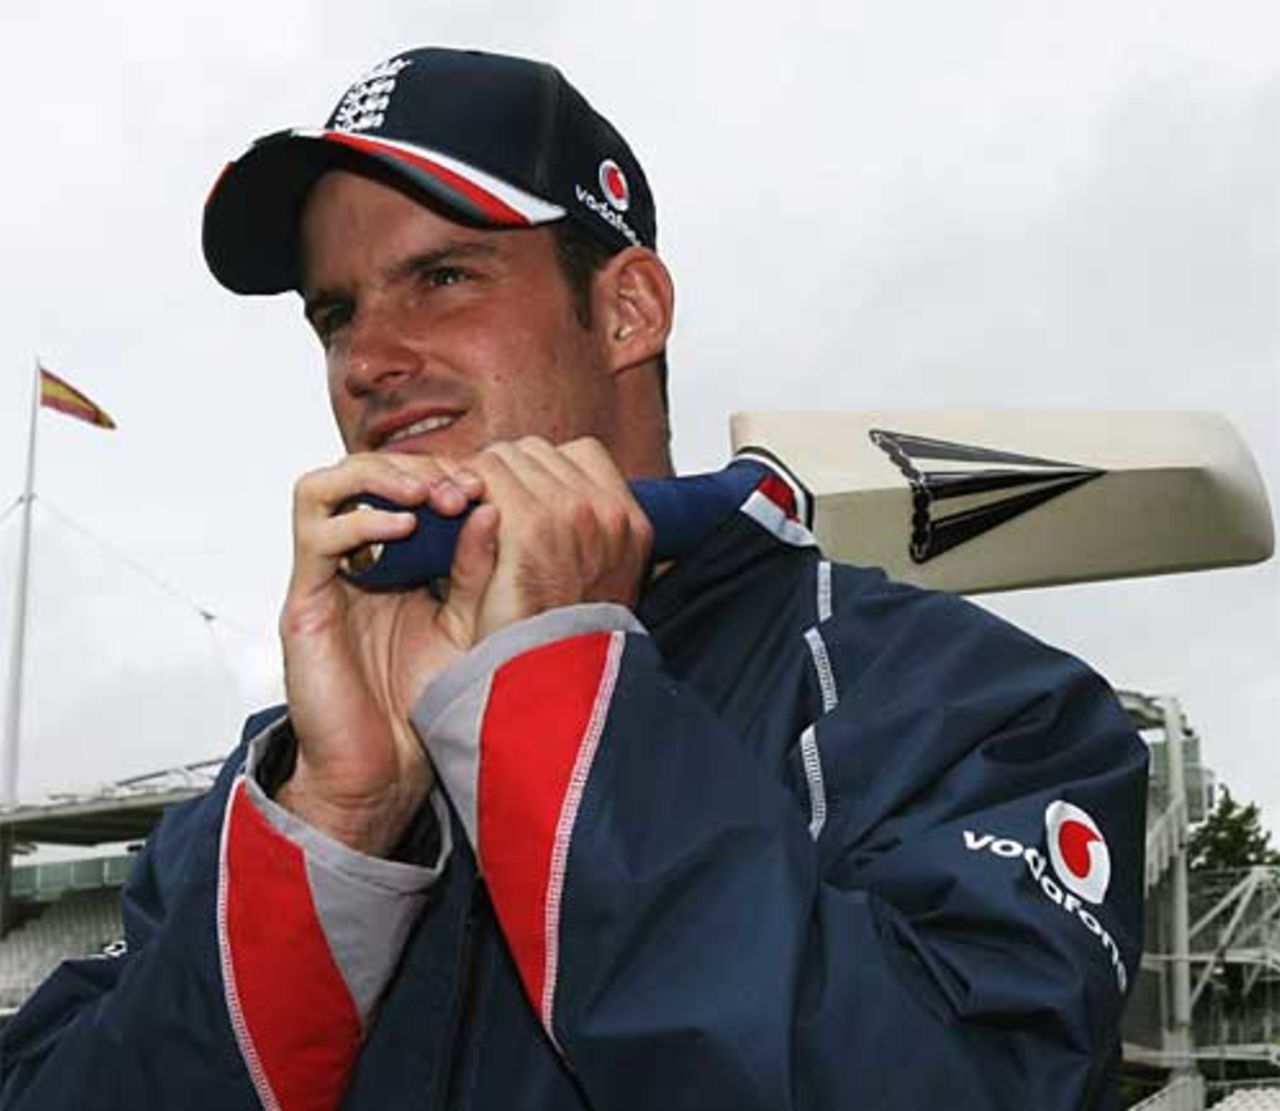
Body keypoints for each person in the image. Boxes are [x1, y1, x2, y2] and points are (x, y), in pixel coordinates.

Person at [0, 47, 1147, 1111]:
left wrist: (558, 695)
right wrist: (341, 821)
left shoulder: (969, 703)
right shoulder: (283, 781)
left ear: (626, 309)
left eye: (443, 276)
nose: (367, 360)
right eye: (337, 313)